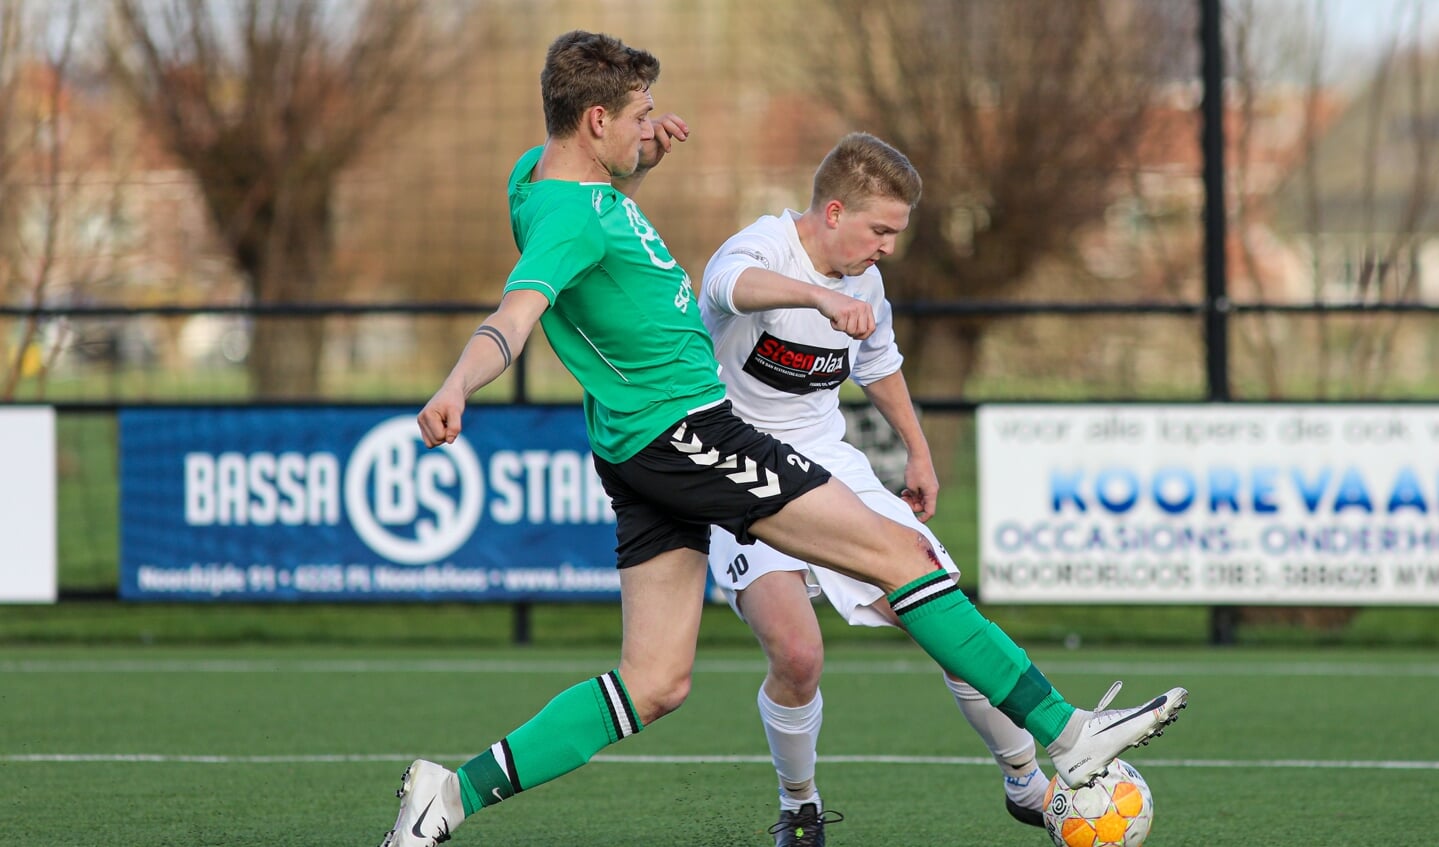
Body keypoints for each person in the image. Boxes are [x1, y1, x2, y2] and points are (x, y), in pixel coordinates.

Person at [383, 29, 1188, 847]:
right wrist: (456, 383)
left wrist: (639, 159)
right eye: (638, 116)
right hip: (685, 431)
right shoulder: (573, 221)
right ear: (593, 121)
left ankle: (449, 793)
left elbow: (571, 193)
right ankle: (1065, 733)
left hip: (636, 447)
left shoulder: (535, 178)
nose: (652, 125)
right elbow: (514, 315)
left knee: (654, 682)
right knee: (901, 558)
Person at [700, 132, 1049, 846]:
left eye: (896, 231)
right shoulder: (761, 247)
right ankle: (798, 801)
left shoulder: (866, 276)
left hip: (829, 464)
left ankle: (1027, 780)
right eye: (880, 229)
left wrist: (918, 454)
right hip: (735, 470)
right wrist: (817, 298)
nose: (888, 245)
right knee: (796, 656)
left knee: (946, 617)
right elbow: (723, 287)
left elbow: (879, 364)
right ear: (833, 211)